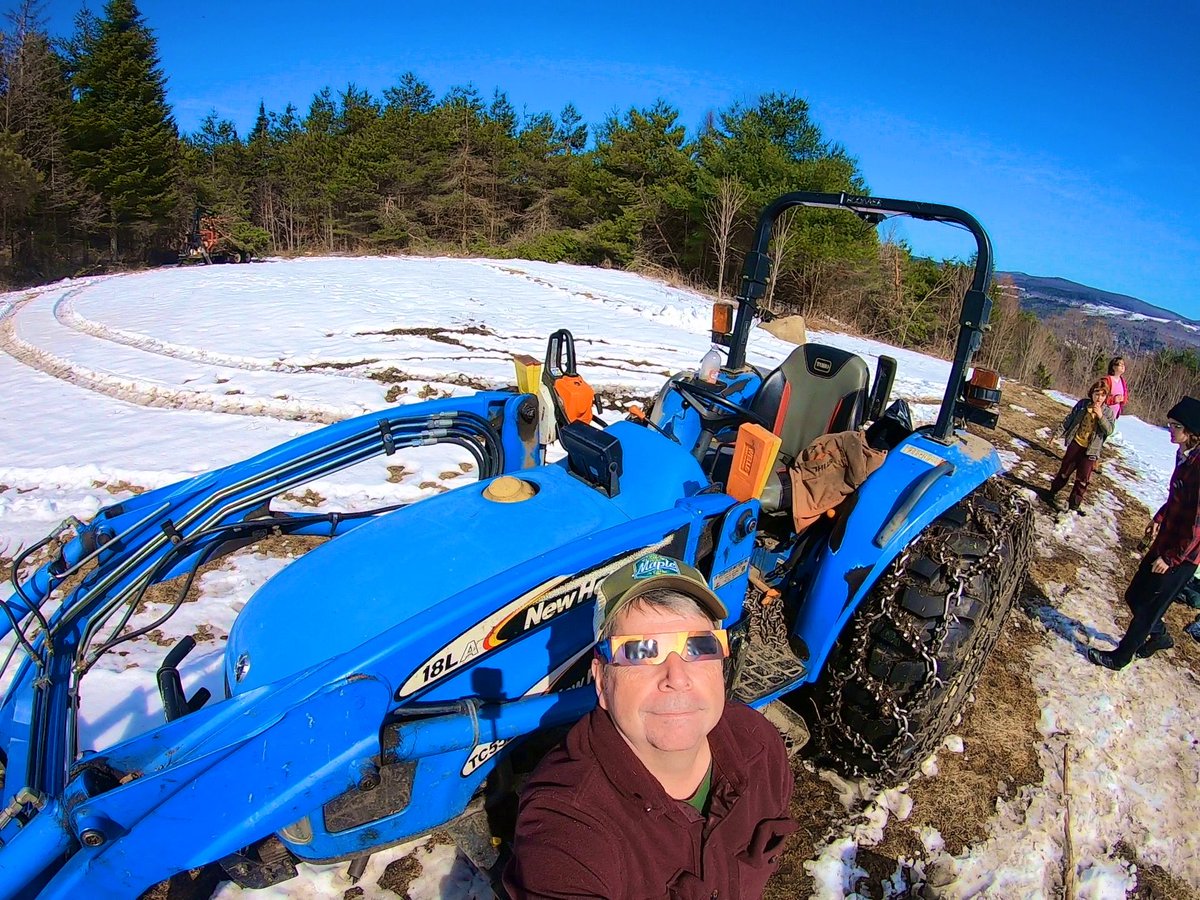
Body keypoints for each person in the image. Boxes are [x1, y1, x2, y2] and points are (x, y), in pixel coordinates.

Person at [503, 553, 797, 899]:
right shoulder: (568, 825)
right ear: (601, 680)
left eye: (698, 647)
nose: (676, 677)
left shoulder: (760, 746)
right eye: (640, 652)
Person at [1088, 396, 1200, 670]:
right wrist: (1159, 517)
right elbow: (1178, 496)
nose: (1170, 430)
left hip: (1182, 556)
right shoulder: (1184, 454)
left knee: (1148, 608)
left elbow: (1198, 523)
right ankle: (1159, 635)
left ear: (1192, 432)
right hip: (1167, 540)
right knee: (1135, 595)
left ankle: (1120, 657)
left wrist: (1172, 558)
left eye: (1175, 426)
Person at [1048, 380, 1116, 513]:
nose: (1099, 398)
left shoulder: (1107, 412)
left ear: (1105, 397)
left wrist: (1100, 416)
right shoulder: (1082, 405)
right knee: (1064, 471)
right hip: (1076, 443)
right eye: (1097, 394)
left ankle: (1074, 504)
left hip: (1091, 450)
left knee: (1082, 479)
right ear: (1092, 393)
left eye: (1102, 395)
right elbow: (1069, 419)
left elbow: (1109, 430)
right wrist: (1056, 434)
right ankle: (1052, 492)